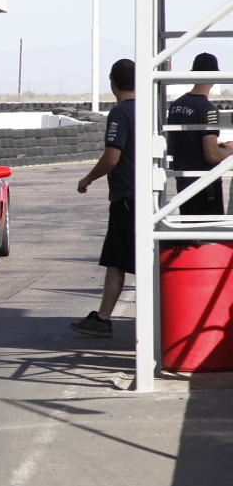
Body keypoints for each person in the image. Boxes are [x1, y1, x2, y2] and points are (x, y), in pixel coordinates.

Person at [70, 58, 136, 338]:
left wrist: (87, 179)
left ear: (112, 82)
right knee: (116, 260)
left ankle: (152, 320)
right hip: (143, 196)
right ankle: (102, 318)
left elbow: (111, 158)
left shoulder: (120, 114)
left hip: (126, 199)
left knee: (127, 260)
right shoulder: (147, 110)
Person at [166, 52, 233, 215]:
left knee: (190, 237)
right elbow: (212, 156)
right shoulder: (208, 109)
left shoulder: (176, 106)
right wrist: (230, 148)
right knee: (206, 237)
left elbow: (172, 147)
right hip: (205, 187)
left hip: (183, 184)